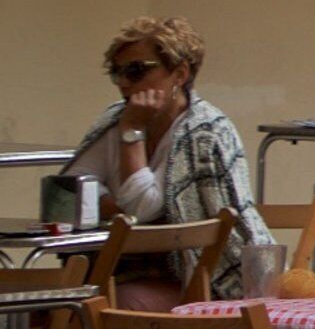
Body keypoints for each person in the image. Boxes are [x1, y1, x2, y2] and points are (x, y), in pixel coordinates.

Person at [62, 15, 266, 304]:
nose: (123, 83)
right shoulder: (113, 120)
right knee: (45, 303)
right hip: (119, 271)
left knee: (92, 306)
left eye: (136, 71)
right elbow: (68, 192)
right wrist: (119, 207)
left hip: (200, 282)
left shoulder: (206, 133)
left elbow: (139, 208)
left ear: (180, 74)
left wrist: (132, 132)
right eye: (116, 72)